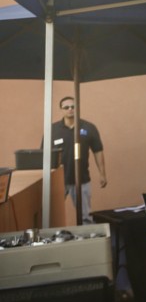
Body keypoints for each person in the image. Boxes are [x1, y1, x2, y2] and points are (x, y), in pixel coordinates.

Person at [44, 96, 107, 224]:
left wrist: (102, 174)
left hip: (82, 180)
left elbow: (98, 151)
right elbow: (43, 156)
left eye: (73, 107)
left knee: (86, 218)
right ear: (61, 110)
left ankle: (87, 243)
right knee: (51, 217)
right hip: (57, 181)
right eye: (66, 107)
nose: (70, 109)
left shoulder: (89, 127)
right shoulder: (52, 130)